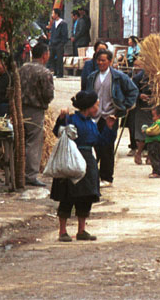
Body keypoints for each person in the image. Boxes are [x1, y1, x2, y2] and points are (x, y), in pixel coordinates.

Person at [51, 91, 117, 242]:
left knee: (86, 196)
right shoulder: (71, 119)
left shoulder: (91, 123)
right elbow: (58, 132)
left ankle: (81, 230)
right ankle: (62, 231)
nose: (98, 108)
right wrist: (61, 120)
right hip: (71, 159)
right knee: (67, 195)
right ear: (89, 106)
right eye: (97, 105)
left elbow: (100, 142)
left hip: (88, 161)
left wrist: (109, 127)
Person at [86, 49, 139, 187]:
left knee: (107, 147)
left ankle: (107, 177)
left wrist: (124, 106)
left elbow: (133, 90)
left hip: (110, 116)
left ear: (110, 61)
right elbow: (86, 93)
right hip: (94, 117)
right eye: (99, 60)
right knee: (95, 145)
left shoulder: (118, 76)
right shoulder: (92, 77)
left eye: (103, 60)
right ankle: (95, 175)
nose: (101, 63)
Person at [19, 43, 54, 187]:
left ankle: (18, 171)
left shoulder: (22, 69)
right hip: (35, 110)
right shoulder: (44, 73)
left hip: (20, 108)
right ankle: (30, 175)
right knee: (33, 142)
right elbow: (49, 95)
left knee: (21, 141)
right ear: (45, 55)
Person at [132, 61, 152, 164]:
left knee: (154, 132)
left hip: (154, 107)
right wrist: (140, 95)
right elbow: (132, 90)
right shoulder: (139, 77)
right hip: (143, 107)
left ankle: (150, 155)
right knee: (142, 131)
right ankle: (139, 152)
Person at [141, 105, 160, 178]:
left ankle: (156, 172)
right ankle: (156, 171)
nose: (153, 118)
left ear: (159, 116)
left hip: (155, 143)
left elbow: (153, 131)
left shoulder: (159, 124)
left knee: (154, 157)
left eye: (154, 116)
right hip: (156, 143)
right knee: (155, 157)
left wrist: (146, 130)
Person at [47, 8, 68, 78]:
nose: (52, 15)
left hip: (59, 43)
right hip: (53, 43)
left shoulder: (63, 23)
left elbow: (65, 34)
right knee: (51, 58)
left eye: (53, 13)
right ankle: (55, 71)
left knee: (59, 58)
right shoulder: (54, 23)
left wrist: (62, 43)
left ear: (56, 14)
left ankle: (60, 73)